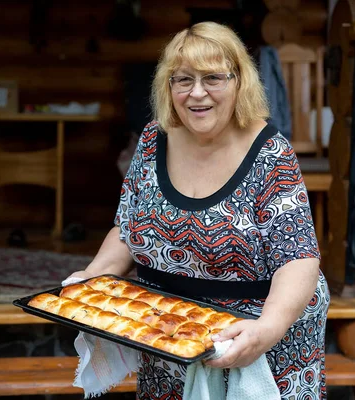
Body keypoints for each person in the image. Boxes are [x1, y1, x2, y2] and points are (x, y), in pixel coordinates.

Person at [66, 21, 330, 399]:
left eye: (213, 78)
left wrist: (266, 330)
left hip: (255, 340)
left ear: (239, 81)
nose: (197, 93)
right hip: (170, 332)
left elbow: (298, 259)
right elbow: (127, 229)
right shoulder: (154, 139)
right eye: (183, 80)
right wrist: (91, 278)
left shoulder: (271, 152)